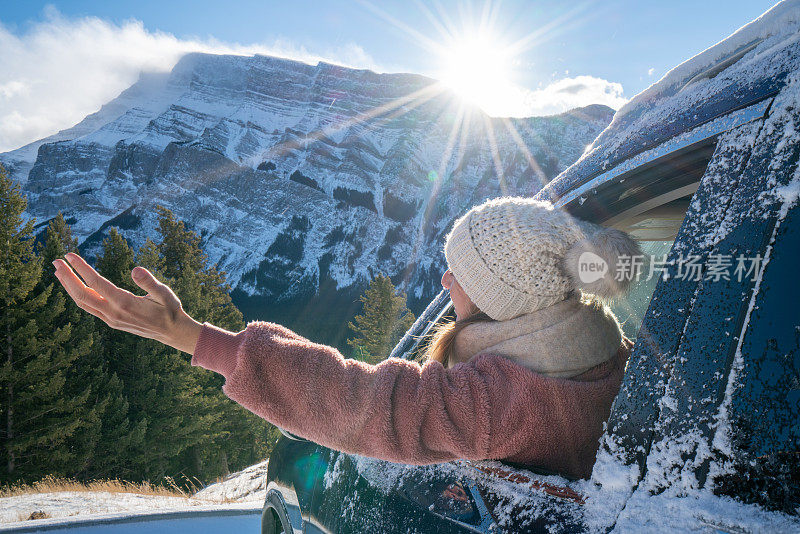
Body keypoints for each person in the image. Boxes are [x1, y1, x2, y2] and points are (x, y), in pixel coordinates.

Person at [52, 196, 640, 479]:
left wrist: (190, 335)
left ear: (502, 298)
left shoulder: (511, 402)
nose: (444, 280)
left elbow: (365, 400)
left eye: (461, 273)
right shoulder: (609, 358)